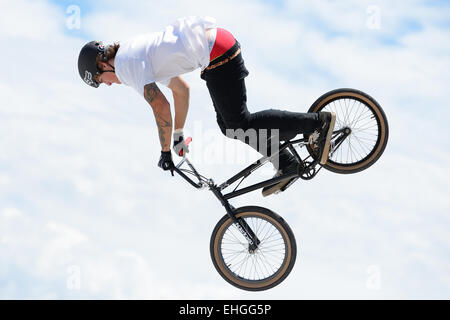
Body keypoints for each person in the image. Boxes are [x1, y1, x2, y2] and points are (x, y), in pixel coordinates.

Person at [77, 16, 335, 197]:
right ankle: (286, 162)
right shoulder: (137, 58)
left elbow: (160, 107)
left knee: (238, 123)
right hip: (217, 49)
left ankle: (316, 124)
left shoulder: (125, 65)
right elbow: (180, 91)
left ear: (103, 65)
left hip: (216, 52)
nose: (108, 85)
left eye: (101, 81)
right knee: (230, 126)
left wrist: (165, 151)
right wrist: (177, 136)